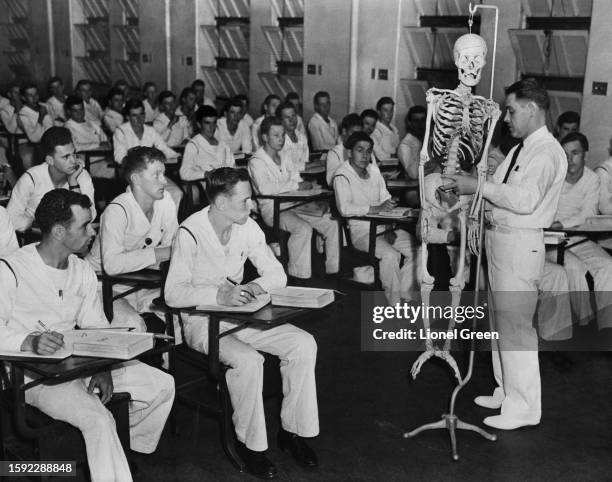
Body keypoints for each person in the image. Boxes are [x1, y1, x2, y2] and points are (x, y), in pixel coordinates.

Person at [0, 188, 175, 482]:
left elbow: (96, 327)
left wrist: (105, 367)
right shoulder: (11, 270)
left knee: (161, 385)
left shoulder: (81, 270)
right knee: (99, 419)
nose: (93, 231)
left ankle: (117, 453)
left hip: (80, 363)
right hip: (34, 375)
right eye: (85, 225)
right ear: (58, 231)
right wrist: (28, 341)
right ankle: (109, 460)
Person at [165, 167, 319, 478]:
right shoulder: (190, 232)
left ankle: (292, 432)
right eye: (245, 200)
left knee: (303, 343)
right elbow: (172, 294)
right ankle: (251, 447)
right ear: (221, 203)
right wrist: (217, 295)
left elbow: (277, 274)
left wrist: (253, 288)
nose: (251, 207)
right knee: (248, 361)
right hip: (201, 321)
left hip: (239, 316)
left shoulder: (246, 226)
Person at [442, 78, 567, 430]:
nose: (507, 118)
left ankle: (525, 408)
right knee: (499, 325)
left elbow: (526, 200)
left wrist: (478, 186)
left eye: (511, 110)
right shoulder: (521, 148)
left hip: (520, 243)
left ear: (531, 108)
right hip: (501, 241)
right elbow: (499, 188)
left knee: (516, 329)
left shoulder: (546, 152)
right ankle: (506, 391)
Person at [86, 147, 178, 327]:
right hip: (103, 285)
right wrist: (160, 253)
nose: (164, 181)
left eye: (163, 174)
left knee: (178, 316)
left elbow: (174, 248)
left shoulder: (165, 201)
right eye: (156, 175)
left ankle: (170, 356)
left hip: (142, 282)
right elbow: (112, 266)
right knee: (133, 324)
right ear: (136, 179)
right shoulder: (117, 210)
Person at [333, 131, 419, 305]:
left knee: (419, 249)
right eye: (360, 150)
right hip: (361, 233)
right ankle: (394, 304)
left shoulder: (373, 170)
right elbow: (344, 209)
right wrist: (376, 209)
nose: (365, 155)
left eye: (368, 150)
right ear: (349, 152)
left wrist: (388, 225)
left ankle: (403, 293)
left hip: (384, 226)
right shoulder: (342, 175)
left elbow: (386, 198)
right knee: (390, 255)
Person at [249, 117, 339, 280]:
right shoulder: (256, 161)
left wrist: (307, 186)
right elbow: (266, 188)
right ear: (264, 137)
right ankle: (298, 275)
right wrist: (296, 186)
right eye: (276, 135)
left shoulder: (284, 156)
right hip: (273, 209)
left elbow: (296, 178)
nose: (281, 139)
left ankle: (333, 271)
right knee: (303, 229)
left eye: (283, 135)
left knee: (331, 223)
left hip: (295, 204)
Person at [549, 132, 612, 328]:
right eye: (565, 153)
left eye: (575, 153)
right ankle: (583, 326)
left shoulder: (592, 179)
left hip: (578, 239)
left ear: (586, 153)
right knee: (575, 270)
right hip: (552, 240)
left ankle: (607, 327)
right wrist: (557, 226)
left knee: (607, 265)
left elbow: (588, 214)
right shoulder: (554, 176)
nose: (570, 159)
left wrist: (561, 223)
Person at [8, 127, 95, 232]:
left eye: (74, 154)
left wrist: (73, 184)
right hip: (37, 239)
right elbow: (10, 218)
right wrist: (40, 224)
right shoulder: (31, 178)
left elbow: (90, 215)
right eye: (66, 157)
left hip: (71, 239)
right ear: (50, 160)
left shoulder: (81, 175)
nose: (73, 161)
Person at [112, 99, 182, 209]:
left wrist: (178, 156)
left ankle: (167, 224)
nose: (139, 119)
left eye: (141, 114)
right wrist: (136, 161)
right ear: (128, 117)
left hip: (155, 174)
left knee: (176, 193)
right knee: (148, 195)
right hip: (135, 175)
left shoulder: (150, 130)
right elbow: (119, 156)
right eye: (134, 115)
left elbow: (163, 148)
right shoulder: (121, 131)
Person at [64, 95, 113, 180]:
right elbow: (75, 147)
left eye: (81, 109)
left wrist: (104, 147)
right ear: (69, 112)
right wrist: (98, 145)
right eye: (75, 111)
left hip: (105, 160)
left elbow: (106, 142)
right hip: (88, 164)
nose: (79, 113)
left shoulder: (93, 124)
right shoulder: (67, 128)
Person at [179, 106, 234, 181]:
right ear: (199, 124)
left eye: (214, 122)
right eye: (207, 123)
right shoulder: (193, 145)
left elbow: (232, 167)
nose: (212, 127)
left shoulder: (224, 145)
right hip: (207, 185)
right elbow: (184, 173)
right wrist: (205, 174)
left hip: (225, 184)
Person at [326, 113, 364, 185]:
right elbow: (331, 181)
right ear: (344, 131)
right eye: (353, 133)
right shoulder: (334, 153)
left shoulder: (366, 151)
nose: (357, 137)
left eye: (360, 134)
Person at [278, 101, 309, 172]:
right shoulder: (279, 140)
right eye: (287, 117)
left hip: (303, 175)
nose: (291, 120)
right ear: (280, 120)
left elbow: (305, 161)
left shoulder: (302, 137)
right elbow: (286, 167)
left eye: (293, 116)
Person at [398, 105, 426, 180]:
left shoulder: (429, 140)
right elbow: (413, 174)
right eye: (416, 120)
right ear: (409, 123)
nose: (420, 124)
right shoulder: (405, 145)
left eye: (423, 120)